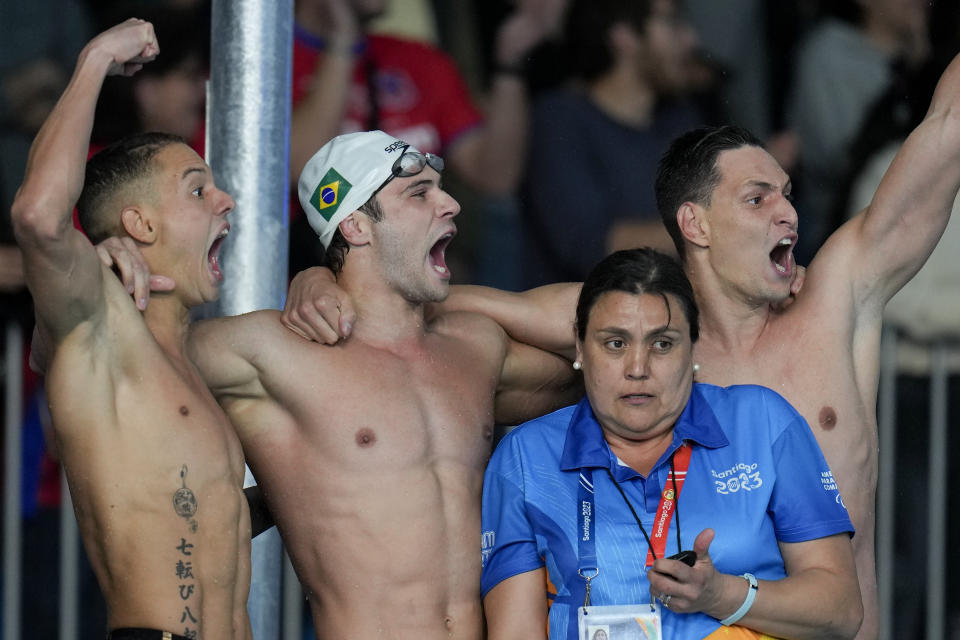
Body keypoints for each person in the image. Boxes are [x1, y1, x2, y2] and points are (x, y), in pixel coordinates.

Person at [287, 49, 960, 639]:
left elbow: (947, 131)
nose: (789, 212)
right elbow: (416, 300)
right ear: (694, 222)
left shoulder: (837, 297)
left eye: (787, 195)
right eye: (758, 199)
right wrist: (323, 276)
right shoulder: (638, 331)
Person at [174, 130, 581, 639]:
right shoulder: (272, 350)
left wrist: (427, 299)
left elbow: (614, 338)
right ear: (356, 225)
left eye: (442, 188)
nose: (451, 203)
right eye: (419, 193)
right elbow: (116, 355)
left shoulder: (473, 349)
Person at [479, 248, 862, 639]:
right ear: (579, 347)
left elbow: (842, 609)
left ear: (693, 348)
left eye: (662, 344)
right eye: (615, 343)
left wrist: (722, 595)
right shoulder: (526, 458)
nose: (638, 368)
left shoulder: (762, 423)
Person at [11, 19, 251, 640]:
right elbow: (39, 217)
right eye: (199, 190)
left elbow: (203, 524)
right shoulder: (99, 329)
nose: (227, 201)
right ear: (139, 224)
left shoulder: (189, 367)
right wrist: (93, 60)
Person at [520, 0, 703, 286]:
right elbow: (588, 247)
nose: (691, 39)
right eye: (671, 23)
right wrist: (716, 229)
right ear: (625, 36)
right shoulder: (561, 119)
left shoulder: (679, 117)